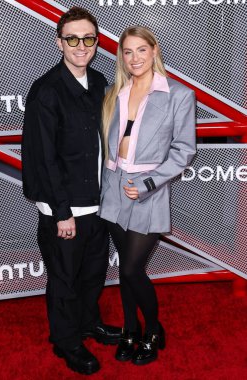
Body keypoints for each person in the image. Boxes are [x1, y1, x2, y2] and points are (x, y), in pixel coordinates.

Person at [22, 7, 121, 376]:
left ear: (96, 42)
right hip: (64, 210)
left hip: (98, 203)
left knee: (93, 272)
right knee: (64, 280)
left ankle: (88, 323)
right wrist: (61, 212)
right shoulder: (46, 91)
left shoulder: (97, 83)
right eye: (73, 39)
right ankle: (66, 341)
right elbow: (43, 157)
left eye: (89, 39)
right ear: (59, 42)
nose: (82, 46)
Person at [99, 26, 196, 365]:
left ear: (154, 51)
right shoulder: (115, 92)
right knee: (127, 266)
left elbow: (184, 151)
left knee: (130, 270)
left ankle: (153, 329)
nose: (134, 58)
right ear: (121, 56)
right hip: (113, 189)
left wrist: (148, 184)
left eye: (141, 50)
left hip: (148, 191)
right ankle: (129, 329)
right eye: (128, 51)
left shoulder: (178, 94)